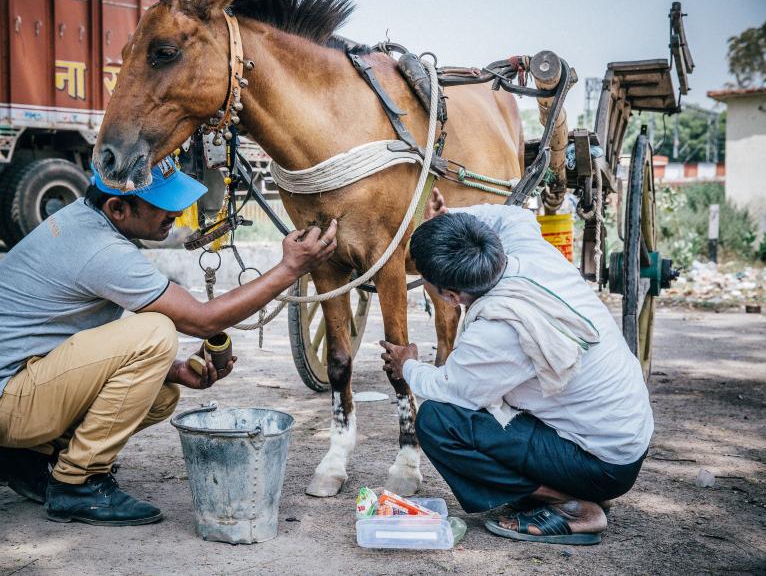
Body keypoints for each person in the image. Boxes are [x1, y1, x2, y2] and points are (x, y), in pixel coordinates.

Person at [0, 157, 337, 526]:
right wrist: (290, 268)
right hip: (9, 399)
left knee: (161, 397)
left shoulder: (83, 221)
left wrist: (172, 371)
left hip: (21, 384)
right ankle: (77, 484)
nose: (176, 213)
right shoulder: (103, 250)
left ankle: (28, 456)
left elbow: (67, 344)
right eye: (163, 206)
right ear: (118, 207)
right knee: (156, 332)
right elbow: (202, 320)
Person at [380, 188, 652, 546]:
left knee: (437, 421)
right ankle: (564, 488)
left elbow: (452, 389)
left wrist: (408, 365)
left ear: (450, 296)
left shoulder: (498, 328)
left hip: (603, 465)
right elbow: (513, 216)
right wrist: (448, 217)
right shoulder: (530, 250)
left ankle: (571, 506)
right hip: (625, 437)